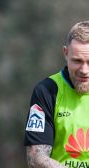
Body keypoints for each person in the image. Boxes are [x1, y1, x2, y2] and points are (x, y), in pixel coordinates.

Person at [24, 21, 89, 168]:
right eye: (77, 61)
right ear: (66, 53)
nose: (84, 70)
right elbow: (36, 157)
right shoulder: (46, 91)